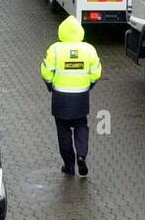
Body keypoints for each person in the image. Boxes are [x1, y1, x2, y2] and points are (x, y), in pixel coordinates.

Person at [40, 16, 102, 176]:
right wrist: (89, 85)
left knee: (63, 131)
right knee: (81, 125)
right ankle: (81, 155)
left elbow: (46, 71)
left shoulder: (55, 49)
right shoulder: (89, 49)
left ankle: (69, 166)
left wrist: (50, 84)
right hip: (81, 97)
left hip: (60, 98)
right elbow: (96, 72)